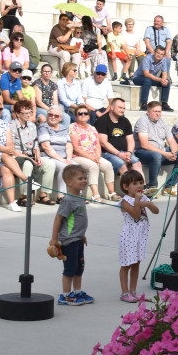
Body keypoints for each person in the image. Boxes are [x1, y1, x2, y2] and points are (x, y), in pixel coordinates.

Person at [50, 164, 93, 305]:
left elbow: (77, 220)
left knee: (79, 267)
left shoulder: (80, 198)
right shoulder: (68, 200)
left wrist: (82, 234)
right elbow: (58, 218)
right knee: (70, 267)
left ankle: (77, 291)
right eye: (80, 178)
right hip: (68, 241)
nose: (84, 181)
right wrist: (54, 238)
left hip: (78, 239)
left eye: (85, 178)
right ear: (69, 182)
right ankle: (65, 296)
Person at [117, 169, 158, 303]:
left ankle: (133, 291)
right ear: (125, 187)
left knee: (136, 263)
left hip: (140, 236)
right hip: (129, 236)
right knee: (126, 264)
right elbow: (135, 215)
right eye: (135, 183)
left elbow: (156, 211)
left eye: (141, 182)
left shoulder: (142, 198)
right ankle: (124, 292)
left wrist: (148, 203)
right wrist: (138, 203)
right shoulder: (125, 201)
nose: (139, 186)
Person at [134, 101, 178, 195]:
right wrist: (165, 154)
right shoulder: (142, 121)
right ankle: (152, 186)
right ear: (148, 112)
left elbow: (171, 141)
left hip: (161, 151)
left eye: (159, 111)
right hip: (143, 152)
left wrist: (173, 153)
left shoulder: (163, 122)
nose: (158, 114)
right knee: (156, 155)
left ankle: (170, 186)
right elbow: (144, 144)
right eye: (155, 111)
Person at [68, 104, 117, 201]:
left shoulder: (92, 128)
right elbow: (76, 148)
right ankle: (95, 195)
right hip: (78, 156)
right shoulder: (73, 127)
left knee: (108, 165)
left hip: (93, 156)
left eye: (85, 113)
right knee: (93, 166)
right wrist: (93, 159)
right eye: (80, 113)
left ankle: (111, 193)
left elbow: (97, 145)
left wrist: (98, 157)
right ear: (75, 116)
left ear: (89, 116)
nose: (83, 115)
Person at [96, 97, 142, 179]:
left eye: (124, 108)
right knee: (123, 166)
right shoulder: (102, 121)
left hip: (125, 152)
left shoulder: (125, 121)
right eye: (120, 108)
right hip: (108, 153)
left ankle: (141, 190)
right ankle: (130, 190)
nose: (122, 110)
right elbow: (103, 143)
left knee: (137, 164)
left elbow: (131, 140)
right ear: (112, 107)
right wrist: (119, 154)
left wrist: (129, 152)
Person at [37, 107, 71, 205]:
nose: (52, 117)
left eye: (56, 116)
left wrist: (68, 158)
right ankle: (61, 196)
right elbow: (46, 147)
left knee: (77, 167)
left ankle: (77, 195)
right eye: (50, 115)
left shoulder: (64, 128)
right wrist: (62, 160)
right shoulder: (43, 127)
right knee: (64, 167)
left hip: (63, 157)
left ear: (60, 118)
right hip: (48, 157)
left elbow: (69, 145)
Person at [134, 45, 173, 111]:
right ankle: (144, 104)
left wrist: (164, 80)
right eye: (157, 53)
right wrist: (160, 79)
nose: (159, 55)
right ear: (154, 52)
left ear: (163, 56)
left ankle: (164, 104)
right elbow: (146, 74)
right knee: (147, 80)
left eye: (161, 54)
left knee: (167, 82)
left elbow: (164, 74)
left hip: (151, 79)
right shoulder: (147, 58)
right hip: (138, 78)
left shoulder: (163, 60)